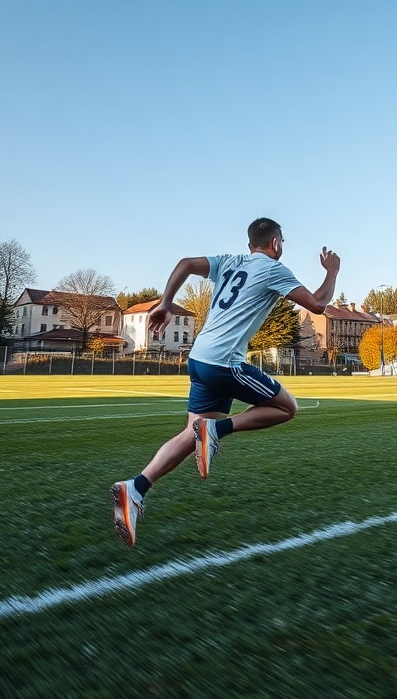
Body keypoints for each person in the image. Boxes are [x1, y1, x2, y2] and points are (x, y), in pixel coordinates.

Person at [111, 218, 340, 547]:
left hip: (199, 358)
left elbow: (185, 264)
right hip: (224, 362)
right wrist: (331, 270)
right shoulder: (273, 269)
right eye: (282, 243)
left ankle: (135, 488)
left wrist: (164, 303)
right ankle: (217, 431)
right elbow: (318, 304)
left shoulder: (230, 262)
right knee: (287, 407)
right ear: (275, 243)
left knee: (191, 435)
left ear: (250, 243)